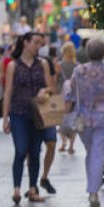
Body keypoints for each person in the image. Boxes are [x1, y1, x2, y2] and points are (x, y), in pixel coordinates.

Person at [64, 38, 104, 207]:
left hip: (83, 118)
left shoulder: (78, 71)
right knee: (98, 154)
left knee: (91, 152)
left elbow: (71, 95)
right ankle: (93, 191)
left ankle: (92, 189)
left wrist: (66, 115)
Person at [2, 32, 54, 204]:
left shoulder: (43, 64)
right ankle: (16, 188)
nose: (38, 46)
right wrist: (4, 118)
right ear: (25, 42)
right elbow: (8, 92)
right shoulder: (13, 66)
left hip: (38, 114)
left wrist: (44, 91)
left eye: (41, 44)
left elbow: (51, 88)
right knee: (20, 150)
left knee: (35, 152)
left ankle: (32, 188)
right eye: (36, 43)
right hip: (18, 113)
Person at [36, 46, 60, 195]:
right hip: (31, 110)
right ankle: (32, 183)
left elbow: (53, 88)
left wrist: (46, 90)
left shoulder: (48, 64)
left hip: (46, 108)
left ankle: (44, 177)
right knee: (31, 149)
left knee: (51, 143)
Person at [57, 42, 79, 154]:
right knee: (74, 118)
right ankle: (71, 145)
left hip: (62, 94)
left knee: (62, 118)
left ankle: (63, 142)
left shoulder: (59, 65)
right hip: (76, 95)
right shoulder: (78, 66)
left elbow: (57, 81)